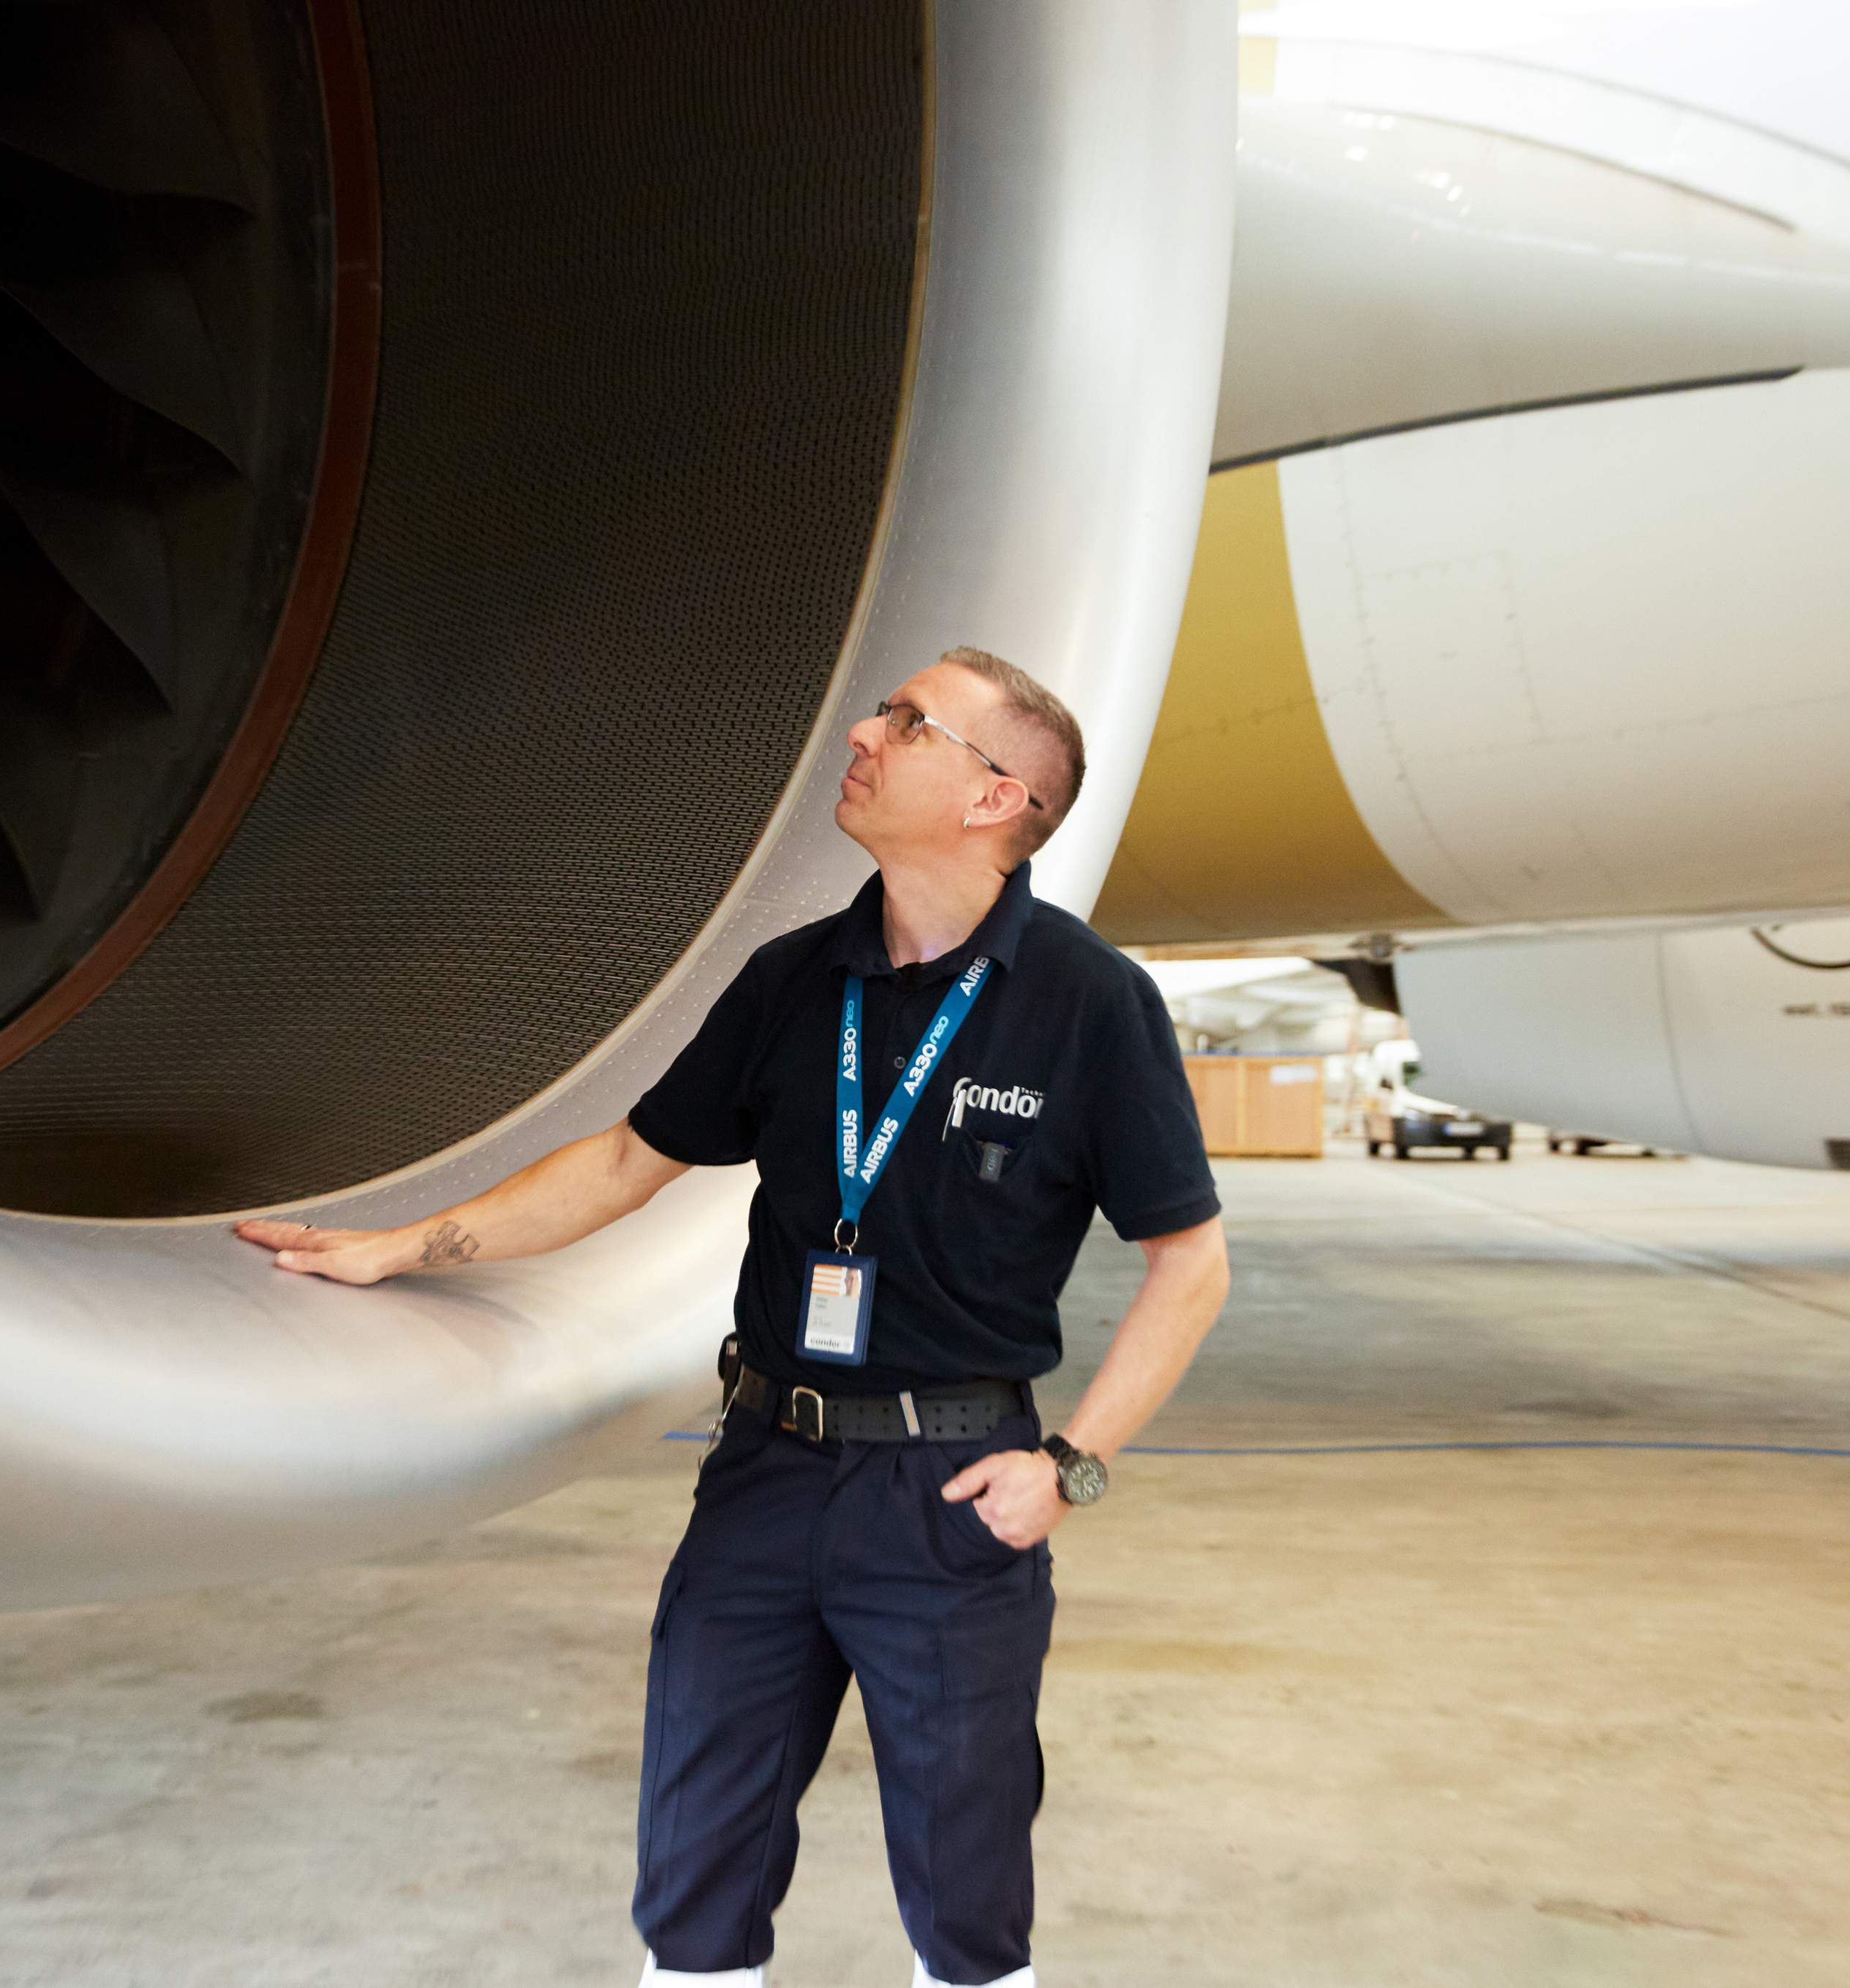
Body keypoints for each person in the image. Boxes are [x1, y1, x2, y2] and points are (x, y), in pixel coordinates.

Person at [237, 646, 1232, 1987]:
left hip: (950, 1494)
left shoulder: (1088, 1003)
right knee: (694, 1875)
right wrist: (404, 1246)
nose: (863, 733)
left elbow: (1191, 1261)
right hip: (766, 1470)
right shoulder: (794, 980)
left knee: (968, 1896)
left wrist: (1070, 1466)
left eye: (907, 720)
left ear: (997, 800)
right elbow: (623, 1163)